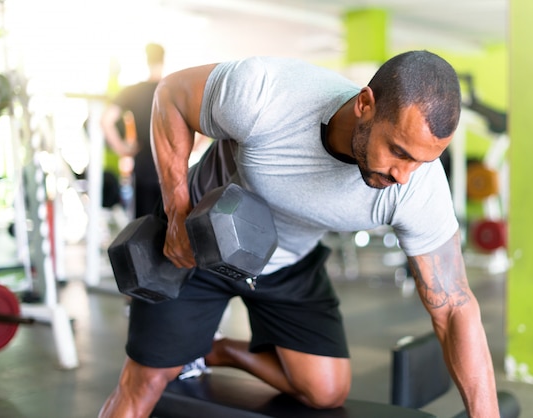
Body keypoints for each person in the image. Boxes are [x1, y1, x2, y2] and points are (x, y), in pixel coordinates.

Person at [99, 50, 500, 418]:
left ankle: (208, 348)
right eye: (398, 151)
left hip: (289, 260)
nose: (403, 175)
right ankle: (178, 351)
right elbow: (170, 96)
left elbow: (454, 309)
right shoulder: (263, 94)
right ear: (364, 105)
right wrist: (175, 213)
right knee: (146, 381)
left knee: (326, 391)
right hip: (200, 243)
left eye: (422, 161)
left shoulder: (417, 188)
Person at [100, 43, 165, 218]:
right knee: (169, 230)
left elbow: (106, 121)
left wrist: (123, 150)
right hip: (171, 168)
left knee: (143, 228)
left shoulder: (134, 91)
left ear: (146, 60)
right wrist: (193, 147)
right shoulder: (173, 88)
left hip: (143, 165)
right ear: (163, 60)